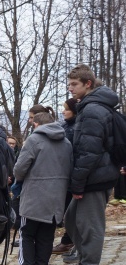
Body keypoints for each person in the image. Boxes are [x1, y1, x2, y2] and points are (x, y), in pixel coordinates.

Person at [64, 64, 120, 265]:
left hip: (95, 177)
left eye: (74, 84)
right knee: (70, 219)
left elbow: (89, 152)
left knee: (90, 225)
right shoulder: (89, 106)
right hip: (95, 175)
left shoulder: (93, 110)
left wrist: (77, 184)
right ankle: (84, 256)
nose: (70, 88)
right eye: (69, 84)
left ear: (88, 84)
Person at [11, 112, 72, 265]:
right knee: (46, 236)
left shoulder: (33, 140)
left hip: (34, 196)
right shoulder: (66, 142)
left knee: (27, 234)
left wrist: (19, 182)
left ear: (37, 124)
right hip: (57, 198)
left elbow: (20, 169)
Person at [52, 98, 78, 255]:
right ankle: (68, 240)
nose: (63, 111)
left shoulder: (75, 128)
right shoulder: (64, 126)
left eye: (66, 109)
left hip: (72, 176)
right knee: (66, 212)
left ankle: (69, 241)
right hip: (64, 177)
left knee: (71, 213)